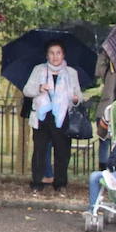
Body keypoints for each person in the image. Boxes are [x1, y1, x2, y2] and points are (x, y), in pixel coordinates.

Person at [23, 42, 84, 195]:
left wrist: (76, 99)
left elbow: (79, 95)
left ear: (63, 55)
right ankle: (37, 181)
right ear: (47, 55)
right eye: (51, 53)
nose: (55, 56)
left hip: (62, 115)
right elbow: (27, 90)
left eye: (58, 53)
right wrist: (39, 88)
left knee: (62, 151)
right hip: (42, 115)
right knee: (39, 150)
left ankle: (60, 183)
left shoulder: (71, 73)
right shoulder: (39, 70)